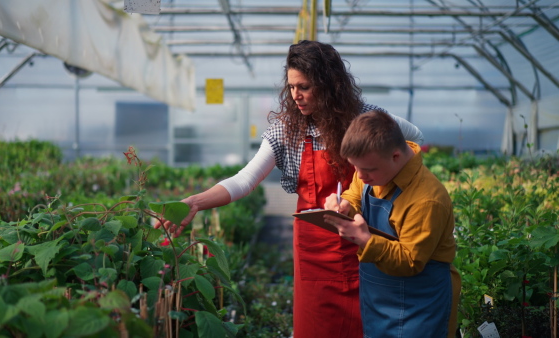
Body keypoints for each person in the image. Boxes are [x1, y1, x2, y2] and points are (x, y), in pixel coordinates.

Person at [158, 40, 424, 337]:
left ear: (330, 84)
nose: (296, 95)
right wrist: (196, 201)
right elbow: (245, 179)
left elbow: (413, 137)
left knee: (363, 325)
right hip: (313, 249)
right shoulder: (288, 129)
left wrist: (397, 189)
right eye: (292, 86)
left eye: (305, 87)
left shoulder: (364, 120)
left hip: (361, 243)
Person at [323, 109, 460, 338]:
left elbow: (409, 262)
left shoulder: (427, 200)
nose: (360, 175)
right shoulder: (371, 167)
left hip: (422, 306)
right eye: (355, 167)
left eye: (367, 170)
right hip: (379, 299)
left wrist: (366, 241)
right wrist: (345, 204)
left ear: (396, 156)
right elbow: (355, 193)